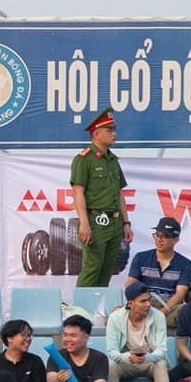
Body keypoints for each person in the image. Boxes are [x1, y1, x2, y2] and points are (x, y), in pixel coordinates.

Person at [70, 110, 129, 288]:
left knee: (107, 269)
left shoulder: (112, 160)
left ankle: (97, 310)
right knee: (92, 267)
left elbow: (119, 194)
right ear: (96, 133)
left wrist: (126, 223)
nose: (114, 133)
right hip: (96, 221)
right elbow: (78, 192)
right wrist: (84, 223)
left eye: (115, 129)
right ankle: (79, 312)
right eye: (109, 129)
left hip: (115, 223)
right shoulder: (84, 159)